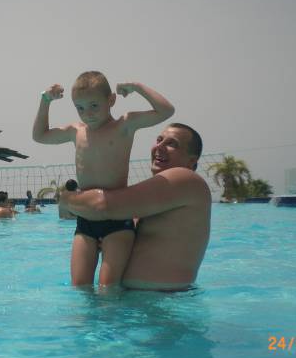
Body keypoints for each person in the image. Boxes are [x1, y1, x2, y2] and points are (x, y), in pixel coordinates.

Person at [33, 71, 175, 287]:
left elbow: (166, 111)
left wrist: (136, 86)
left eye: (94, 105)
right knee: (80, 286)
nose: (87, 113)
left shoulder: (124, 125)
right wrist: (45, 100)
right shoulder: (76, 131)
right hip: (86, 220)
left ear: (111, 100)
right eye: (80, 108)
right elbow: (39, 136)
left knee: (108, 288)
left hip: (117, 219)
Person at [60, 123, 211, 291]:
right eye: (159, 140)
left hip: (165, 300)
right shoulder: (150, 201)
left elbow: (102, 205)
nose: (159, 146)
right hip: (136, 299)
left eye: (171, 144)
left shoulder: (187, 179)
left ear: (191, 161)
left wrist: (66, 199)